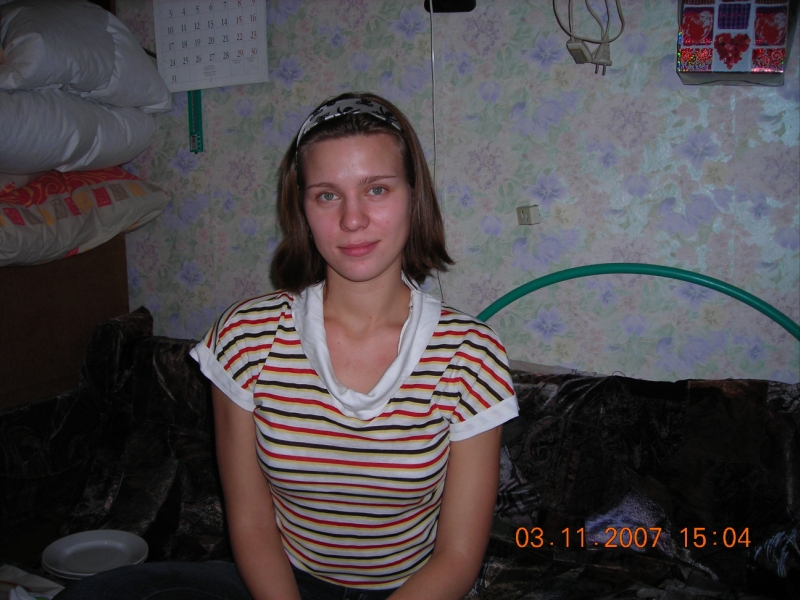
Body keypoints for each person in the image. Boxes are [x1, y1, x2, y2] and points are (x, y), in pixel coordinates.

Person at [54, 92, 518, 600]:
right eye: (327, 195)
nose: (353, 219)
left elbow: (457, 558)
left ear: (414, 196)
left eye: (377, 189)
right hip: (281, 584)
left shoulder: (470, 354)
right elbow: (252, 522)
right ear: (302, 208)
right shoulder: (245, 338)